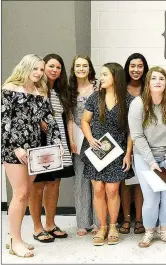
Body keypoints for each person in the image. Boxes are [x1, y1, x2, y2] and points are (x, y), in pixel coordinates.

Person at [2, 54, 62, 257]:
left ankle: (15, 239)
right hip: (15, 151)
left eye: (41, 69)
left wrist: (57, 143)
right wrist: (14, 147)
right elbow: (3, 124)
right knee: (19, 194)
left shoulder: (40, 91)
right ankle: (15, 240)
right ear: (25, 67)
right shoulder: (10, 88)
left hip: (35, 150)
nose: (38, 73)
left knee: (26, 193)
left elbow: (49, 120)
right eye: (34, 68)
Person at [129, 66, 166, 247]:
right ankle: (149, 232)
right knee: (151, 196)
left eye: (161, 78)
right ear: (148, 82)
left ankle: (164, 231)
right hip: (145, 156)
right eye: (154, 78)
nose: (158, 82)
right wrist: (152, 161)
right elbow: (137, 136)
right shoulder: (138, 103)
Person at [81, 62, 134, 246]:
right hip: (97, 150)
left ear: (115, 77)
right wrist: (89, 139)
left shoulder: (128, 100)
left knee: (112, 190)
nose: (101, 78)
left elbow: (131, 131)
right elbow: (85, 121)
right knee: (98, 189)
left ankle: (113, 225)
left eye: (105, 74)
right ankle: (102, 227)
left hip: (117, 152)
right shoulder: (95, 98)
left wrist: (128, 154)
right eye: (101, 74)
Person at [28, 54, 75, 243]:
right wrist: (39, 121)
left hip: (59, 142)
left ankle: (50, 224)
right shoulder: (34, 87)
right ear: (43, 67)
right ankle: (37, 228)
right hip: (40, 142)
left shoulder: (60, 91)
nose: (54, 70)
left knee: (55, 183)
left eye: (58, 67)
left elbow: (65, 117)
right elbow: (27, 112)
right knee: (38, 185)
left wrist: (68, 142)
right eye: (51, 66)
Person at [119, 53, 149, 235]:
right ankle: (126, 218)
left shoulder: (148, 88)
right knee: (124, 180)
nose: (136, 70)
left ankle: (139, 219)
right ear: (127, 68)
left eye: (140, 66)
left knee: (139, 181)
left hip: (143, 140)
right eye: (132, 66)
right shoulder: (120, 88)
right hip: (121, 139)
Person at [70, 55, 100, 237]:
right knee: (80, 180)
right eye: (78, 66)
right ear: (73, 69)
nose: (81, 68)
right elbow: (68, 116)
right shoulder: (69, 89)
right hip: (77, 140)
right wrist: (72, 139)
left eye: (85, 65)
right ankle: (82, 222)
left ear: (90, 68)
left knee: (97, 180)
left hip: (96, 139)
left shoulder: (98, 87)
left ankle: (98, 221)